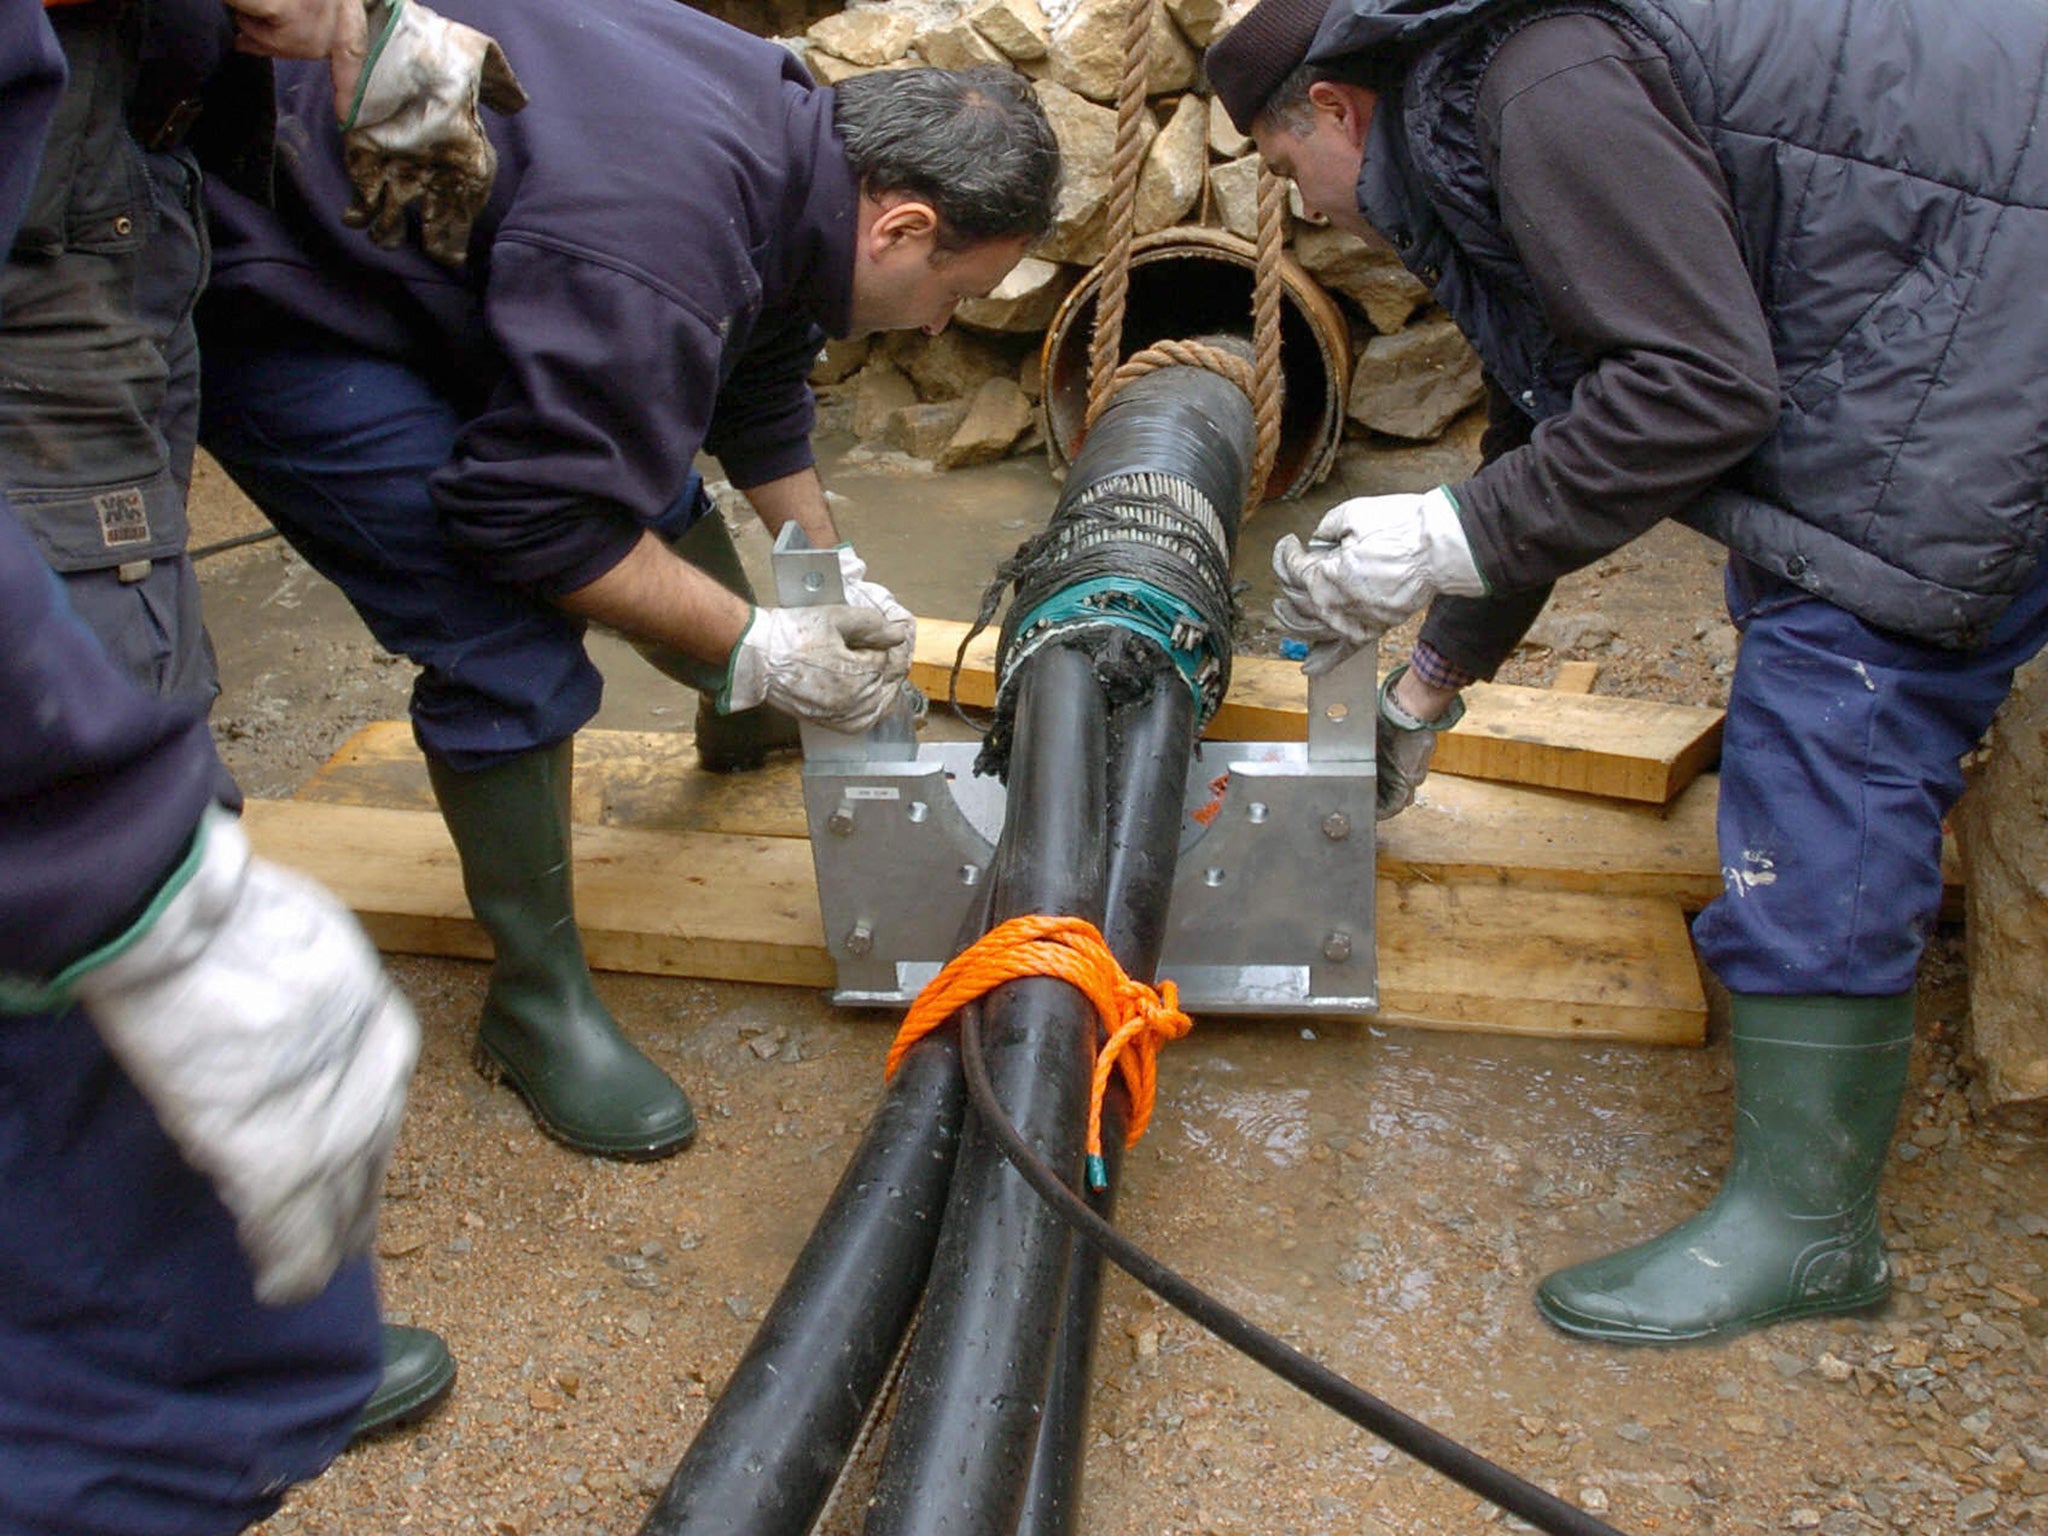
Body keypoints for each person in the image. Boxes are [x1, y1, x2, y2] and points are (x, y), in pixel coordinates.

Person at [1205, 0, 2048, 1344]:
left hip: (1995, 297)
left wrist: (1443, 532)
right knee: (1807, 599)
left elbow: (1702, 393)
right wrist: (1428, 684)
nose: (1294, 208)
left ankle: (1811, 1232)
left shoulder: (1540, 91)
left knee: (1840, 678)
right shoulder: (1486, 112)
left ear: (1338, 112)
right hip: (1962, 265)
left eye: (1278, 162)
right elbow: (1559, 419)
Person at [194, 0, 1060, 1165]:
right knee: (499, 631)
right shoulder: (665, 230)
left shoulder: (799, 137)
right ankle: (535, 1002)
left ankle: (736, 713)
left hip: (451, 240)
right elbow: (533, 519)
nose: (942, 319)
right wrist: (763, 644)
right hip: (294, 289)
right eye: (954, 294)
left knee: (630, 464)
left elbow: (748, 387)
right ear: (901, 226)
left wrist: (824, 570)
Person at [1, 0, 526, 1456]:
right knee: (108, 677)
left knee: (122, 612)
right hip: (48, 233)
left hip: (118, 202)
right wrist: (140, 881)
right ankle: (156, 1343)